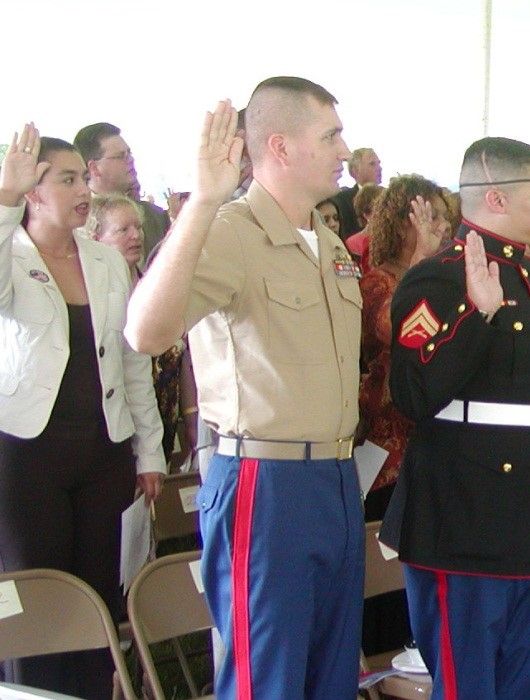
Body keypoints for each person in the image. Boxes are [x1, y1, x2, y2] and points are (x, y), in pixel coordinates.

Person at [126, 81, 365, 698]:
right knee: (268, 679)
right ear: (280, 147)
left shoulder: (329, 241)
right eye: (331, 136)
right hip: (267, 484)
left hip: (337, 479)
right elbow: (145, 332)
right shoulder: (228, 231)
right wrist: (204, 204)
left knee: (332, 678)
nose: (345, 150)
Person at [379, 136, 530, 698]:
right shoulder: (440, 277)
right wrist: (478, 315)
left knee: (526, 679)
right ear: (496, 197)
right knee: (468, 684)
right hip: (467, 524)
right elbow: (412, 394)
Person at [0, 127, 166, 698]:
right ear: (32, 191)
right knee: (37, 601)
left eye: (82, 178)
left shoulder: (104, 261)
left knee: (98, 597)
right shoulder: (11, 252)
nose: (82, 191)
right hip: (27, 455)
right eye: (67, 179)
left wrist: (149, 450)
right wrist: (4, 200)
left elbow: (132, 360)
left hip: (103, 450)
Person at [83, 194, 198, 464]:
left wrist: (192, 417)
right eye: (123, 229)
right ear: (95, 239)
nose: (135, 235)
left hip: (166, 425)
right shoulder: (92, 303)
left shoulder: (156, 294)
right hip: (115, 433)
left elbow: (184, 358)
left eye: (138, 227)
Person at [359, 175, 448, 517]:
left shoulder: (444, 276)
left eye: (444, 216)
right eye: (431, 217)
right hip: (389, 445)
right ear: (400, 226)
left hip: (436, 434)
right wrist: (420, 261)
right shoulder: (375, 282)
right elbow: (393, 329)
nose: (443, 226)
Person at [73, 122, 172, 260]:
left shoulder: (156, 217)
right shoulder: (74, 223)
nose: (130, 160)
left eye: (129, 153)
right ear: (94, 167)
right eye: (120, 156)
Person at [331, 146, 382, 238]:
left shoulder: (389, 197)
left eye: (379, 163)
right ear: (355, 170)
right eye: (372, 164)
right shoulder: (342, 201)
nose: (379, 168)